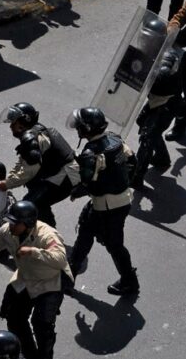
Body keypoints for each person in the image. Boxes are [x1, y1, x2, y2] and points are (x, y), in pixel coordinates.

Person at [0, 201, 73, 359]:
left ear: (28, 223)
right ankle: (28, 353)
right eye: (10, 222)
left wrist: (33, 251)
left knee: (42, 324)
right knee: (14, 317)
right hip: (25, 276)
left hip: (49, 281)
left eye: (15, 223)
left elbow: (60, 259)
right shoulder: (8, 231)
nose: (11, 226)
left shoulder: (47, 235)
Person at [65, 107, 140, 296]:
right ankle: (68, 275)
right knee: (85, 234)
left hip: (107, 207)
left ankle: (129, 282)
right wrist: (117, 182)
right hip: (119, 201)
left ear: (86, 129)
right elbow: (132, 163)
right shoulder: (115, 139)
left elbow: (87, 181)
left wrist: (76, 191)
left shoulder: (91, 154)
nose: (77, 129)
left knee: (114, 244)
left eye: (80, 126)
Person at [0, 102, 80, 227]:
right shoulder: (33, 132)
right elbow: (23, 161)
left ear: (24, 122)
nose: (11, 126)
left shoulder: (33, 139)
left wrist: (7, 184)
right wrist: (8, 179)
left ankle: (24, 237)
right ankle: (50, 232)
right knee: (40, 203)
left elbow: (28, 171)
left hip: (66, 176)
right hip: (56, 174)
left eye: (13, 122)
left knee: (28, 206)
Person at [131, 35, 185, 187]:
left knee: (148, 137)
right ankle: (162, 157)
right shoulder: (159, 51)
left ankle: (137, 176)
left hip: (169, 101)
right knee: (142, 122)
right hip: (158, 97)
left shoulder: (180, 59)